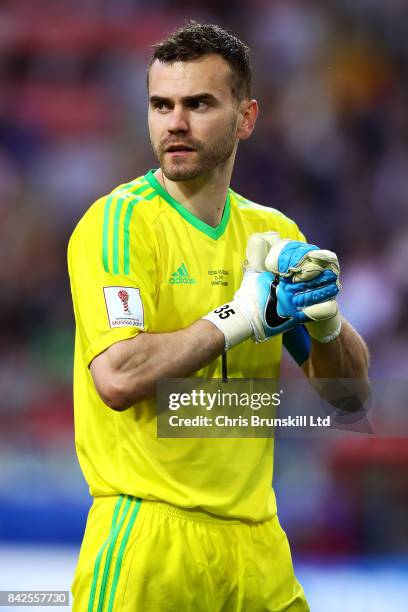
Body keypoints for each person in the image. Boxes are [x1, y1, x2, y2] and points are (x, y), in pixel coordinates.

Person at [68, 21, 369, 611]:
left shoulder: (274, 233)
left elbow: (351, 398)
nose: (174, 123)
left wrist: (329, 322)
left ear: (246, 117)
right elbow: (119, 377)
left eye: (198, 103)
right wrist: (239, 317)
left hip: (258, 547)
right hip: (149, 539)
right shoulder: (118, 224)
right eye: (161, 105)